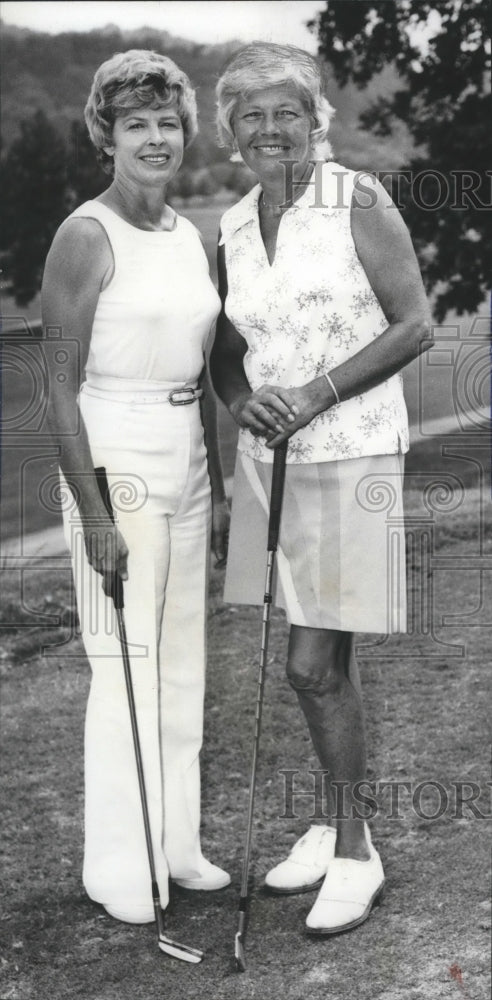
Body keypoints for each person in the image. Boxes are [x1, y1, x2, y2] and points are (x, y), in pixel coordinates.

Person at [211, 42, 432, 936]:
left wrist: (314, 393)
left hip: (354, 457)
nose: (270, 129)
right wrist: (243, 403)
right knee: (324, 666)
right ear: (229, 132)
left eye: (286, 112)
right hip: (270, 465)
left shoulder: (358, 199)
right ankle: (333, 820)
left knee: (310, 664)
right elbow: (226, 354)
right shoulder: (227, 226)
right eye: (251, 116)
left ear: (315, 121)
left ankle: (354, 853)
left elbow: (415, 324)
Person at [42, 49, 231, 925]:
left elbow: (203, 363)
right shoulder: (86, 234)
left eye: (167, 123)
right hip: (114, 460)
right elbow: (55, 384)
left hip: (185, 459)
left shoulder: (187, 236)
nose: (155, 139)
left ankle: (177, 843)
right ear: (106, 138)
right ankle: (119, 868)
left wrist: (217, 484)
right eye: (136, 125)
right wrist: (91, 510)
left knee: (183, 659)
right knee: (124, 664)